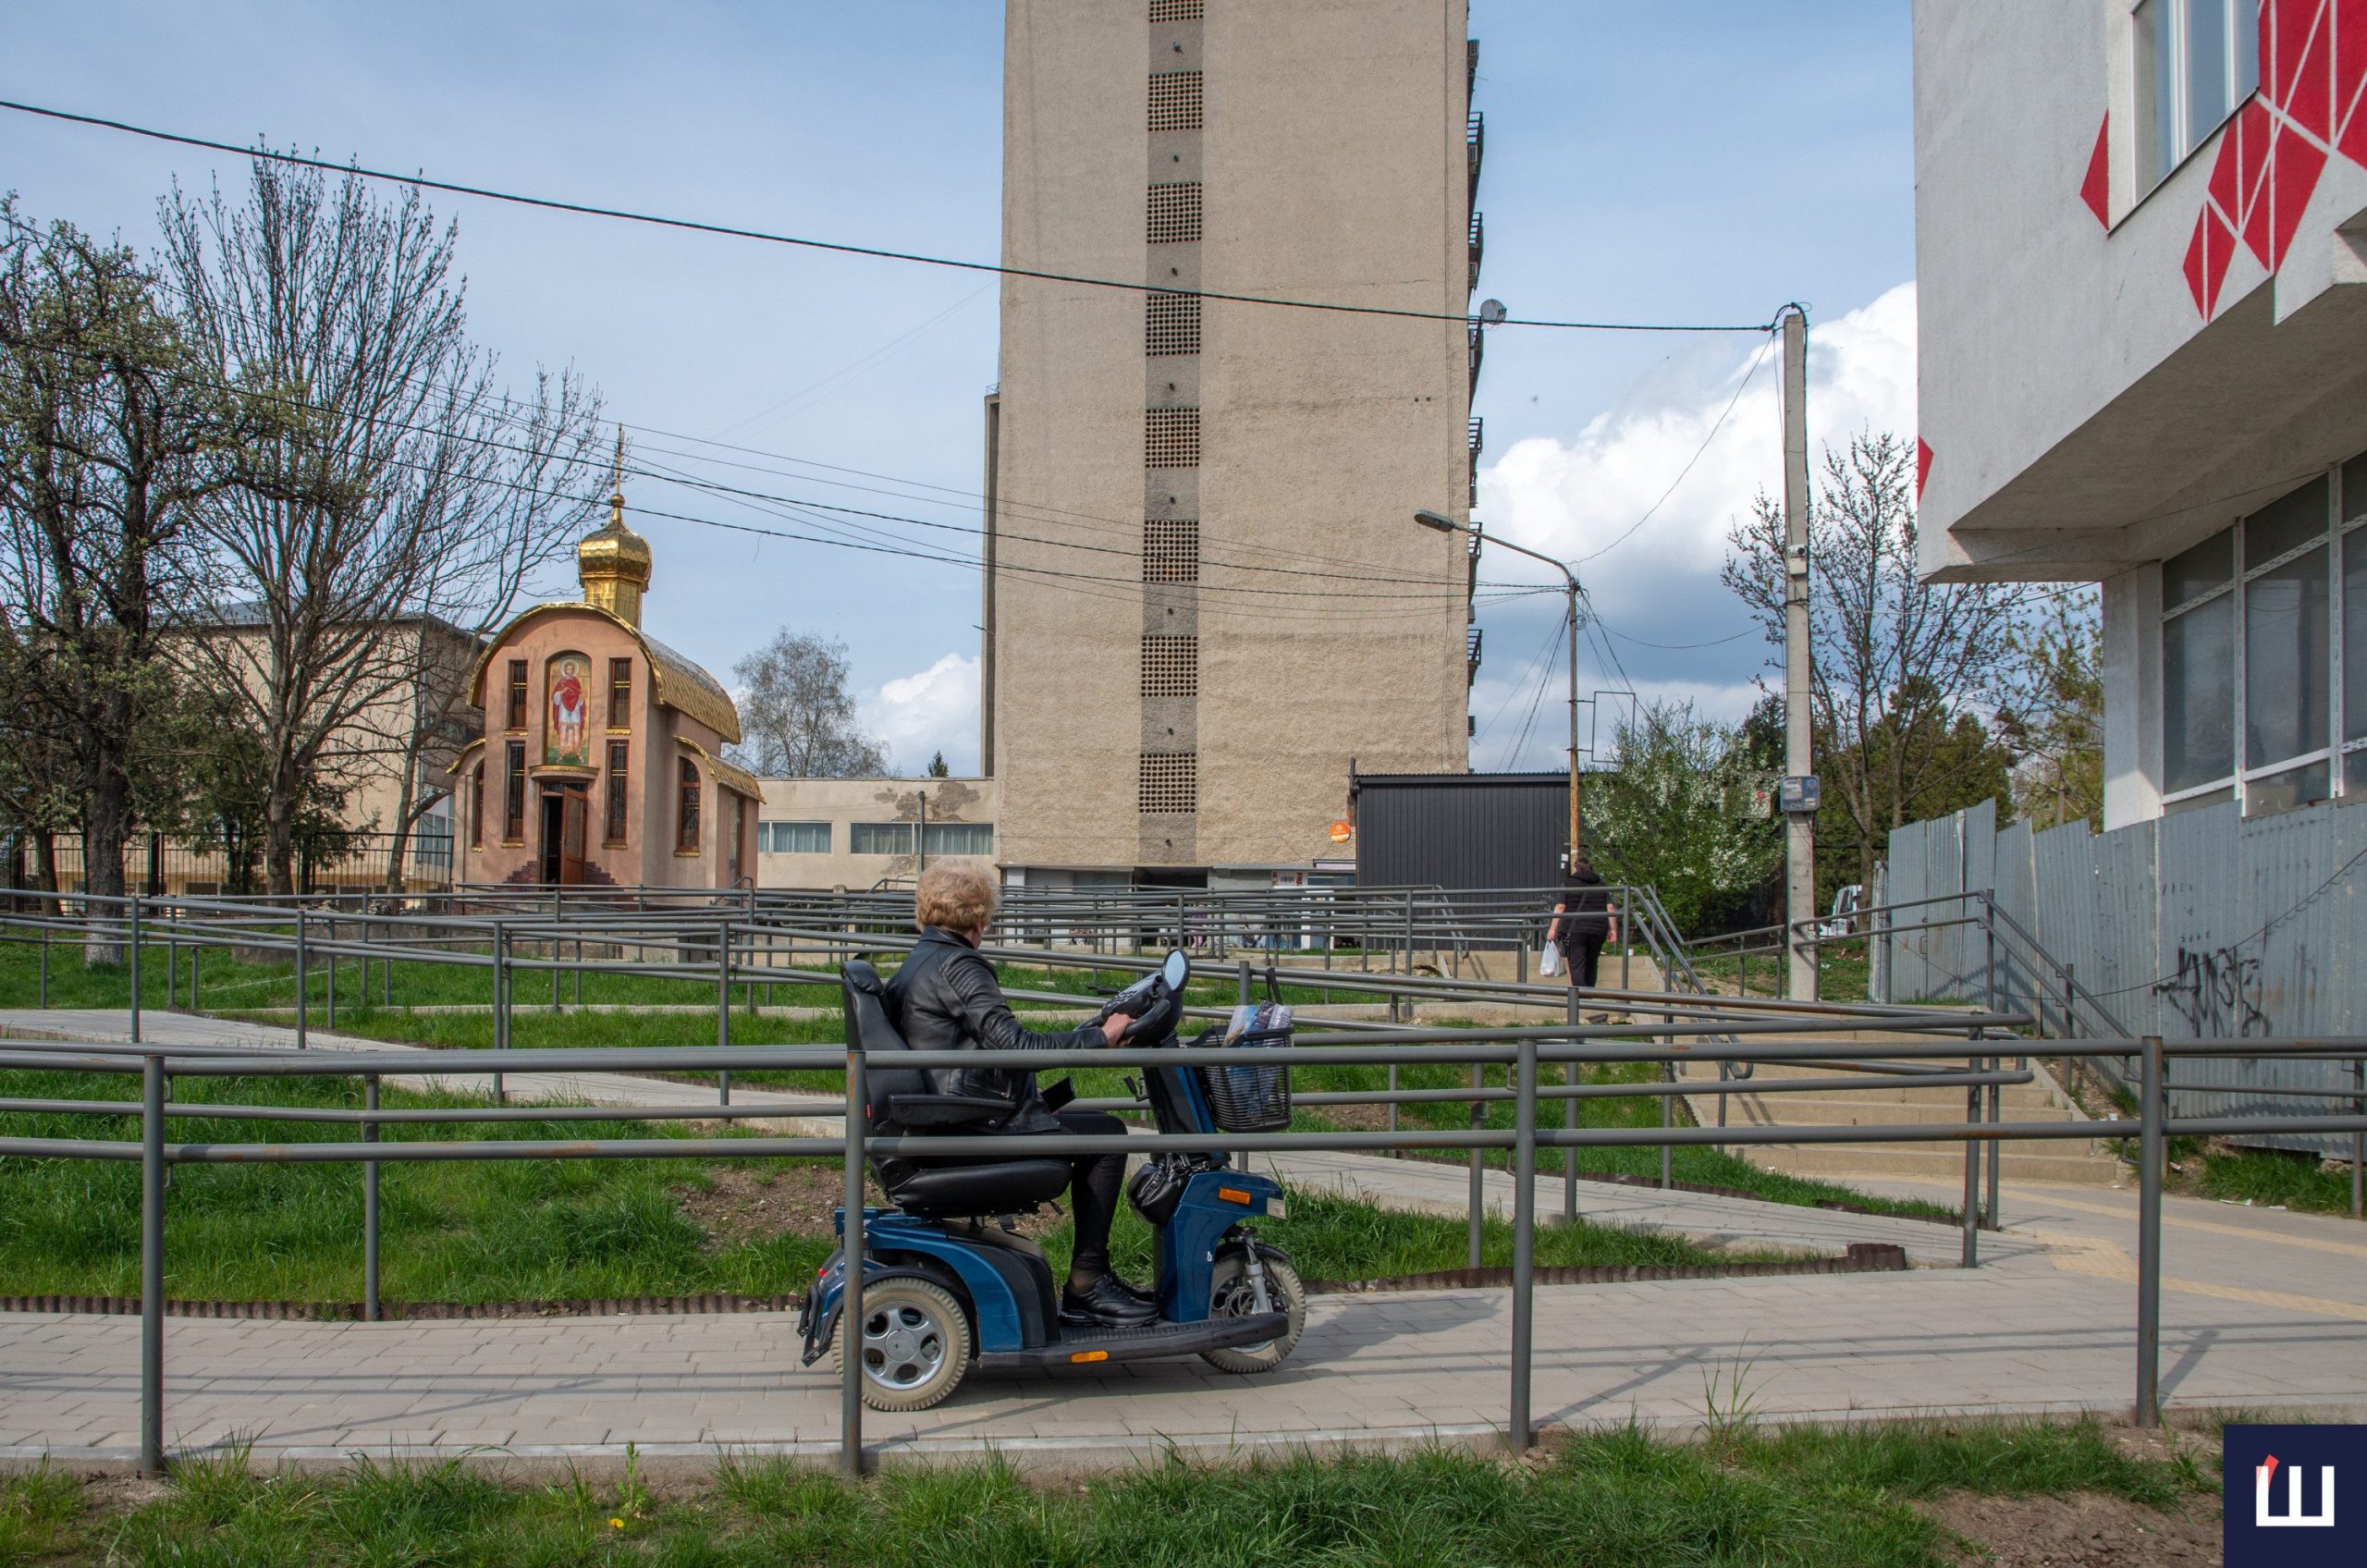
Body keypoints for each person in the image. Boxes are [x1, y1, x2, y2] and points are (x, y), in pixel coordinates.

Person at [885, 863, 1156, 1327]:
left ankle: (1089, 1281)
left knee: (1101, 1130)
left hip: (951, 1118)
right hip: (970, 1125)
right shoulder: (959, 964)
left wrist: (1088, 1032)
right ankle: (1088, 1283)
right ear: (981, 919)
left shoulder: (922, 960)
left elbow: (992, 1042)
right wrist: (1099, 1040)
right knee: (1110, 1137)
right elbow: (1015, 1046)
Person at [1546, 853, 1620, 1023]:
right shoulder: (1601, 884)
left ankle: (1581, 1000)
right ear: (1591, 868)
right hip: (1597, 930)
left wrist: (1552, 929)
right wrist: (1613, 930)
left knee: (1577, 964)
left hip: (1575, 930)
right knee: (1592, 962)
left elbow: (1560, 906)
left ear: (1576, 867)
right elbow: (1610, 907)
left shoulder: (1569, 883)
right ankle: (1590, 994)